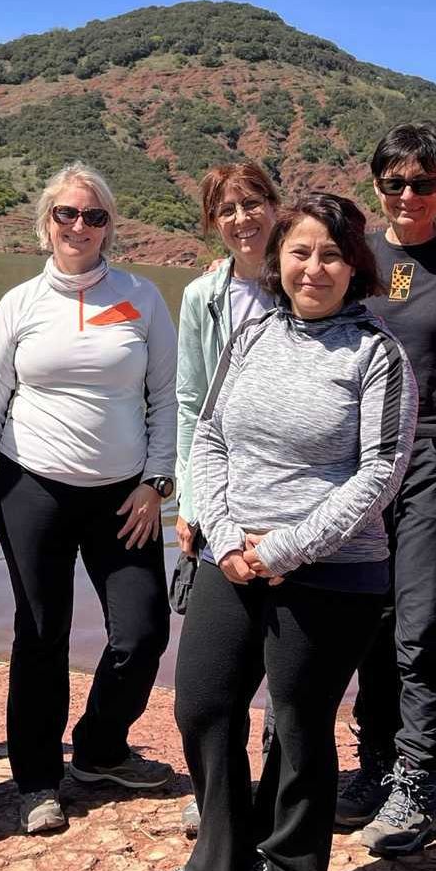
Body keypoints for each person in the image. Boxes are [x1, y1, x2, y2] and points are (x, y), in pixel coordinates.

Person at [155, 193, 418, 871]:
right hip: (229, 556)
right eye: (300, 251)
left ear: (354, 266)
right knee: (204, 706)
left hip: (332, 570)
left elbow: (380, 473)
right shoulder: (250, 335)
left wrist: (282, 549)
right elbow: (208, 435)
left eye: (331, 254)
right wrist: (222, 528)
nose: (314, 267)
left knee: (298, 729)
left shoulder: (377, 355)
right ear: (278, 259)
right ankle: (219, 862)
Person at [0, 162, 177, 836]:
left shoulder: (142, 297)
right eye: (67, 214)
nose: (79, 226)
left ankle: (99, 746)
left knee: (143, 632)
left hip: (124, 496)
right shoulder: (19, 305)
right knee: (41, 634)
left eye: (94, 216)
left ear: (110, 224)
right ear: (46, 222)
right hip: (32, 488)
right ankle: (35, 779)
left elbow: (171, 397)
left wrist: (157, 480)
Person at [332, 123, 436, 856]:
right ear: (377, 187)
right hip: (365, 460)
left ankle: (419, 777)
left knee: (421, 621)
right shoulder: (361, 260)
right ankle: (374, 767)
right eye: (395, 182)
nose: (408, 196)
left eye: (424, 182)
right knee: (370, 614)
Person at [173, 160, 282, 835]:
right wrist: (190, 495)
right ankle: (219, 790)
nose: (242, 218)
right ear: (214, 221)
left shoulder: (302, 278)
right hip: (221, 490)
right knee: (220, 660)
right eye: (227, 208)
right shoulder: (201, 297)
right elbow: (189, 399)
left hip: (291, 495)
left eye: (253, 202)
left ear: (275, 205)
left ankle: (275, 788)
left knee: (286, 654)